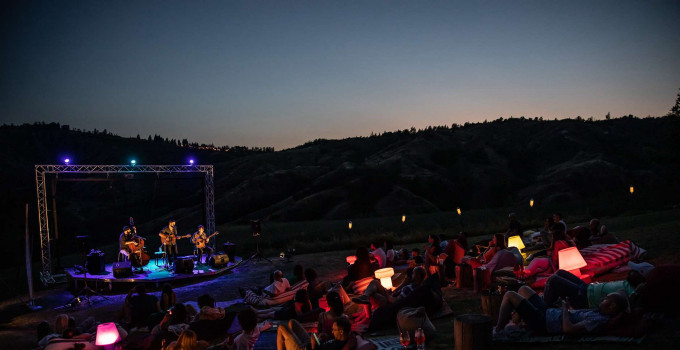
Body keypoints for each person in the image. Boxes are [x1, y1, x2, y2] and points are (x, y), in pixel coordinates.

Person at [494, 285, 628, 336]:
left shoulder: (598, 320)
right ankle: (517, 323)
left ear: (612, 307)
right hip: (548, 312)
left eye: (606, 299)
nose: (602, 299)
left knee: (509, 295)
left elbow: (568, 329)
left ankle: (498, 332)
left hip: (543, 323)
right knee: (524, 289)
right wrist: (566, 307)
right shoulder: (599, 312)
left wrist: (564, 309)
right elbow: (622, 292)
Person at [543, 262, 652, 309]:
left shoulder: (635, 292)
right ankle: (548, 299)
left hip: (585, 299)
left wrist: (637, 292)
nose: (631, 272)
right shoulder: (630, 282)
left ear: (641, 278)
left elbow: (629, 307)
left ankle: (544, 309)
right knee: (560, 272)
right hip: (588, 287)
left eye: (635, 271)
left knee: (553, 280)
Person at [352, 266, 427, 315]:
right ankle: (366, 297)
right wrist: (402, 284)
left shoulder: (409, 288)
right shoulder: (417, 286)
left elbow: (395, 301)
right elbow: (397, 294)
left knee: (374, 284)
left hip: (388, 303)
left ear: (417, 276)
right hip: (390, 298)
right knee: (371, 290)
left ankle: (366, 300)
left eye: (413, 273)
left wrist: (387, 295)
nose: (411, 275)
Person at [277, 314, 354, 350]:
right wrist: (322, 338)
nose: (332, 332)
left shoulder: (339, 346)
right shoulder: (341, 338)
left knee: (281, 327)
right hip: (311, 344)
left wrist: (314, 346)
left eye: (334, 330)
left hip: (306, 348)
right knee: (292, 322)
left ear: (341, 331)